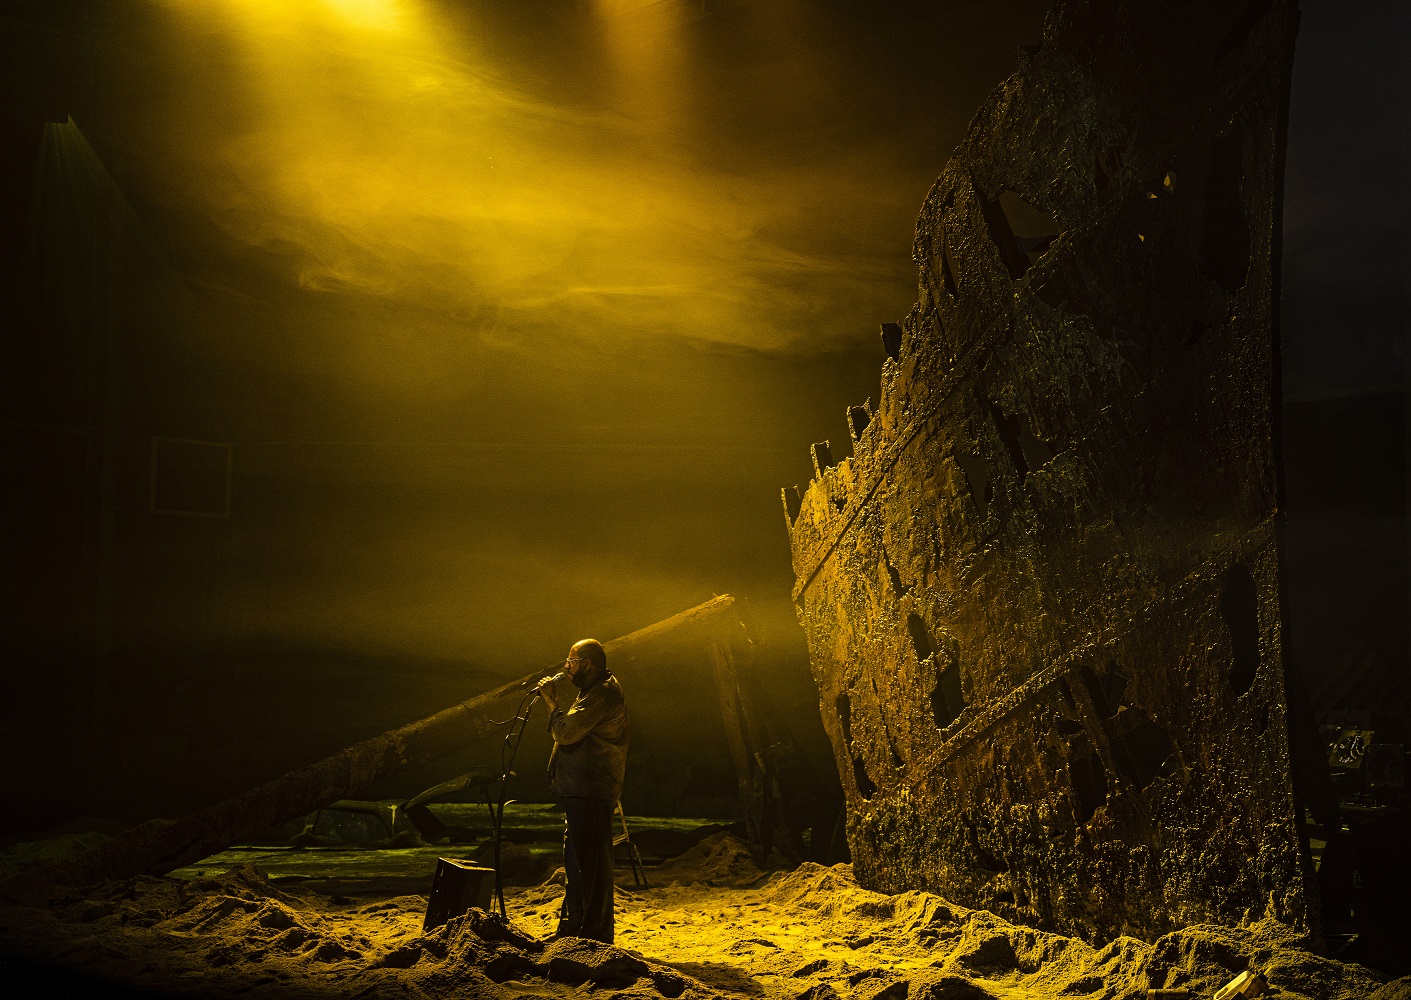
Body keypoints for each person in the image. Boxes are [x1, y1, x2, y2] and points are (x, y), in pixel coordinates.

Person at [536, 638, 628, 943]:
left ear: (587, 664)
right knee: (577, 867)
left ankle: (596, 938)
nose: (566, 667)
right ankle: (572, 932)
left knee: (592, 868)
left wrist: (551, 702)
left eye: (570, 661)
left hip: (591, 791)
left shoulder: (602, 694)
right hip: (581, 791)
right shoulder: (592, 691)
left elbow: (565, 732)